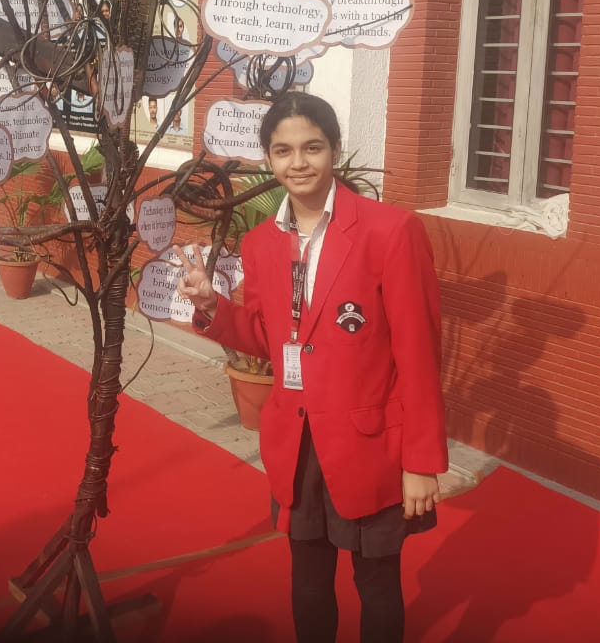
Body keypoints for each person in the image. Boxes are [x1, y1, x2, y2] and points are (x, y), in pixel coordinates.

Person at [174, 92, 446, 643]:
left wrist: (420, 462)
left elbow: (419, 354)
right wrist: (212, 306)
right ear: (268, 159)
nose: (298, 163)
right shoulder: (261, 243)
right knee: (309, 582)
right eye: (283, 151)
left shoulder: (391, 231)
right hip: (296, 442)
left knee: (377, 586)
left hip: (369, 443)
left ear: (335, 150)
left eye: (312, 148)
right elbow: (267, 337)